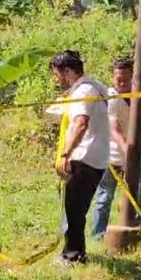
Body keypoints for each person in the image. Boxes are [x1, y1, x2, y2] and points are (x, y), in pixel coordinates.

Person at [92, 57, 141, 239]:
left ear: (135, 78)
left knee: (139, 194)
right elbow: (113, 127)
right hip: (111, 154)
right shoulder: (110, 95)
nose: (122, 83)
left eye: (127, 79)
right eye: (118, 79)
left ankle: (136, 230)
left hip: (137, 154)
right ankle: (99, 235)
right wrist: (126, 148)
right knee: (104, 197)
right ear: (112, 78)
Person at [52, 50, 110, 264]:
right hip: (96, 156)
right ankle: (73, 251)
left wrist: (66, 154)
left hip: (85, 157)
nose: (56, 79)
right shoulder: (96, 86)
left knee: (74, 209)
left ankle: (73, 256)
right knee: (74, 208)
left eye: (57, 74)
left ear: (67, 71)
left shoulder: (83, 91)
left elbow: (81, 123)